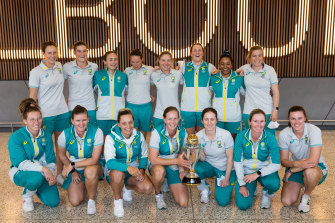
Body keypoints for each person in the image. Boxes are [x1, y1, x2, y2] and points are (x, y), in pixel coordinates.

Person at [8, 98, 59, 212]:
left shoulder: (46, 135)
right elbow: (20, 163)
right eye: (32, 119)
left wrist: (50, 174)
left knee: (53, 202)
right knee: (35, 178)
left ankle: (35, 187)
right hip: (20, 171)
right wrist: (43, 169)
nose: (36, 123)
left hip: (42, 172)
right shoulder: (15, 137)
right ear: (25, 121)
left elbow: (51, 159)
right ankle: (27, 196)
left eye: (39, 118)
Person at [29, 41, 69, 185]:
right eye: (49, 53)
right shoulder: (36, 72)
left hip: (62, 113)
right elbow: (32, 97)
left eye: (54, 52)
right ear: (43, 54)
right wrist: (34, 117)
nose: (53, 56)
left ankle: (59, 175)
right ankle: (47, 174)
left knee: (60, 146)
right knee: (45, 147)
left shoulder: (59, 67)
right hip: (45, 115)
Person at [104, 108, 153, 217]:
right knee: (118, 174)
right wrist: (128, 168)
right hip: (114, 170)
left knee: (148, 188)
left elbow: (144, 155)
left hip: (133, 169)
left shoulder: (139, 136)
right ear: (118, 124)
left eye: (130, 122)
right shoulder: (110, 138)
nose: (128, 126)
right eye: (124, 123)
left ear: (133, 122)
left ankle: (126, 187)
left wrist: (141, 170)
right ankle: (118, 201)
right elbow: (110, 162)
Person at [279, 106, 328, 213]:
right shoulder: (284, 134)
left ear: (305, 118)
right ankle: (302, 183)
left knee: (310, 173)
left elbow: (313, 162)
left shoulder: (314, 130)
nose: (296, 122)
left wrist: (292, 170)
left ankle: (306, 195)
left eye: (300, 118)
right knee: (286, 202)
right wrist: (295, 163)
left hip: (316, 167)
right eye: (293, 118)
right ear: (289, 119)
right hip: (297, 165)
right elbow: (283, 160)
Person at [58, 105, 104, 215]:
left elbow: (94, 159)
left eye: (84, 120)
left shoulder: (97, 132)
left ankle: (91, 200)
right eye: (78, 120)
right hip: (76, 170)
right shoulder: (64, 134)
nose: (81, 123)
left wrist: (72, 165)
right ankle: (87, 184)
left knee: (90, 172)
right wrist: (73, 172)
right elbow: (62, 155)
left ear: (88, 119)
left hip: (94, 166)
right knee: (75, 201)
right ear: (72, 121)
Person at [234, 109, 280, 210]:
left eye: (262, 121)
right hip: (247, 172)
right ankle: (252, 187)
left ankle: (266, 193)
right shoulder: (240, 137)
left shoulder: (270, 138)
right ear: (249, 122)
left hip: (264, 170)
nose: (259, 125)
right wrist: (242, 185)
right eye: (255, 121)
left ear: (265, 122)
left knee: (274, 184)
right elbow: (237, 162)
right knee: (242, 205)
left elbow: (276, 164)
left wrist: (256, 174)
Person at [149, 106, 190, 209]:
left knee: (183, 202)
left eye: (175, 118)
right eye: (169, 119)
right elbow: (153, 159)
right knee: (159, 172)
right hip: (158, 164)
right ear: (164, 119)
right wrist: (176, 161)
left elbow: (182, 152)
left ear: (179, 118)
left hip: (175, 165)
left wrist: (181, 170)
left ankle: (166, 181)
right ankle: (158, 195)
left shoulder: (183, 132)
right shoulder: (156, 133)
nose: (173, 122)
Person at [195, 108, 236, 206]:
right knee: (195, 167)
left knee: (222, 201)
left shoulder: (226, 135)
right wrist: (199, 155)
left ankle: (229, 181)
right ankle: (205, 189)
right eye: (206, 119)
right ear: (202, 121)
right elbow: (200, 159)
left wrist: (226, 178)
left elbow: (231, 158)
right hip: (210, 165)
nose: (209, 122)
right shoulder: (197, 136)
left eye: (212, 119)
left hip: (225, 168)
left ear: (217, 120)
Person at [239, 45, 280, 135]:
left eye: (259, 55)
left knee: (268, 138)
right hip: (249, 110)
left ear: (263, 56)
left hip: (267, 110)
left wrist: (275, 109)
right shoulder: (245, 68)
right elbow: (230, 74)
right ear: (250, 57)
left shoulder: (270, 70)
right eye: (254, 56)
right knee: (248, 137)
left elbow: (276, 92)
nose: (257, 58)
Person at [179, 43, 216, 135]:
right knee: (189, 138)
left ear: (203, 53)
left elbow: (215, 83)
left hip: (204, 108)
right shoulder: (184, 67)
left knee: (202, 137)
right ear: (191, 53)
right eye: (194, 50)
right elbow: (178, 80)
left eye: (199, 50)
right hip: (187, 108)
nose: (197, 52)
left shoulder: (210, 67)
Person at [210, 50, 244, 139]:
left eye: (228, 64)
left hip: (234, 118)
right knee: (218, 143)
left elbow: (248, 92)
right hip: (218, 118)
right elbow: (206, 92)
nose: (225, 66)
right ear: (219, 65)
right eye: (222, 64)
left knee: (233, 143)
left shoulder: (238, 78)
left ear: (231, 65)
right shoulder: (213, 78)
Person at [63, 41, 99, 125]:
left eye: (84, 51)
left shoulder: (94, 66)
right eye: (79, 51)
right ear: (74, 53)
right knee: (74, 133)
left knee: (90, 133)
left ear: (87, 52)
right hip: (73, 106)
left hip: (90, 106)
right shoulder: (67, 67)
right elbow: (60, 84)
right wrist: (63, 99)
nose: (82, 54)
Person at [93, 51, 128, 136]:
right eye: (110, 59)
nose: (113, 62)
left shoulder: (123, 76)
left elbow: (127, 93)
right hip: (102, 115)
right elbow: (94, 91)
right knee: (102, 141)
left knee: (117, 140)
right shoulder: (98, 75)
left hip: (118, 115)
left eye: (115, 59)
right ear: (104, 61)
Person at [124, 49, 154, 138]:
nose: (135, 64)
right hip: (131, 106)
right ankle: (133, 151)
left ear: (142, 59)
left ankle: (142, 150)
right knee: (131, 131)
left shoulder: (150, 69)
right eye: (133, 62)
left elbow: (155, 83)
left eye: (137, 62)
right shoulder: (127, 71)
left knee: (143, 132)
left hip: (145, 106)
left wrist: (149, 93)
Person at [151, 51, 184, 128]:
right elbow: (145, 85)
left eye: (168, 60)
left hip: (175, 115)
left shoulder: (178, 74)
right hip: (159, 115)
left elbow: (186, 86)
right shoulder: (154, 75)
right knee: (159, 139)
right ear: (159, 61)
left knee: (175, 139)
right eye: (163, 60)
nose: (166, 63)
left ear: (172, 61)